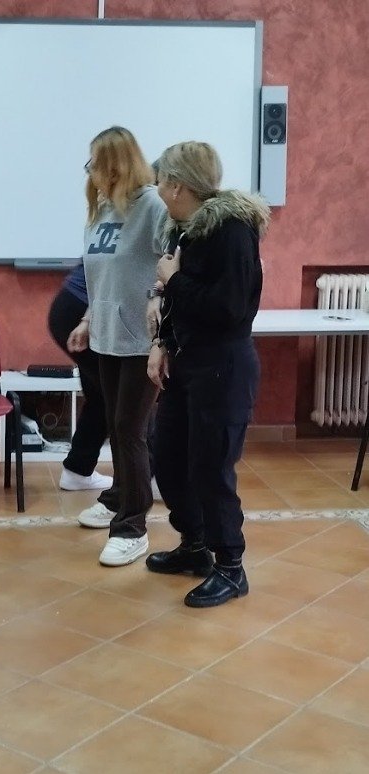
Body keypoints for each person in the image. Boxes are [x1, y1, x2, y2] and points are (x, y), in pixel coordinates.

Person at [145, 141, 268, 607]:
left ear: (177, 185)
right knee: (168, 456)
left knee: (210, 468)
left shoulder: (232, 231)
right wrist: (161, 343)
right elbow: (175, 297)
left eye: (160, 179)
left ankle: (231, 568)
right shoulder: (186, 229)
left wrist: (174, 279)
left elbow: (229, 309)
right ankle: (195, 546)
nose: (155, 187)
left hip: (224, 366)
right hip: (188, 361)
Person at [67, 126, 166, 567]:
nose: (90, 172)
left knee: (130, 430)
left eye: (96, 163)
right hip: (107, 335)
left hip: (144, 341)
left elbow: (173, 264)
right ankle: (119, 496)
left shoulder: (152, 206)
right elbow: (100, 276)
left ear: (117, 164)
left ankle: (133, 528)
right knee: (114, 424)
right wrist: (88, 320)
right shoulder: (103, 209)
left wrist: (159, 318)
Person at [47, 265, 113, 491]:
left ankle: (78, 470)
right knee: (126, 396)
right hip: (87, 308)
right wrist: (87, 320)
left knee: (103, 397)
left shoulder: (100, 227)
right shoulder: (149, 230)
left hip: (67, 307)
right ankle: (151, 478)